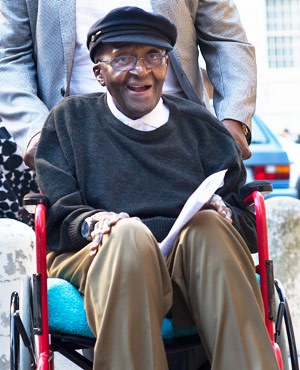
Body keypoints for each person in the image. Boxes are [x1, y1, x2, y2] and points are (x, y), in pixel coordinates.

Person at [35, 7, 279, 370]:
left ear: (167, 64)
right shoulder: (70, 121)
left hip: (189, 265)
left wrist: (225, 214)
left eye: (153, 56)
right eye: (123, 59)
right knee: (128, 235)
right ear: (98, 72)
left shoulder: (201, 128)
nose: (141, 70)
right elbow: (57, 218)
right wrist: (94, 222)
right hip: (100, 257)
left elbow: (245, 224)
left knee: (211, 228)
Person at [0, 0, 256, 173]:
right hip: (75, 141)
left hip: (182, 135)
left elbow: (226, 39)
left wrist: (233, 119)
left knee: (203, 236)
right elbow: (9, 55)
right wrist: (35, 131)